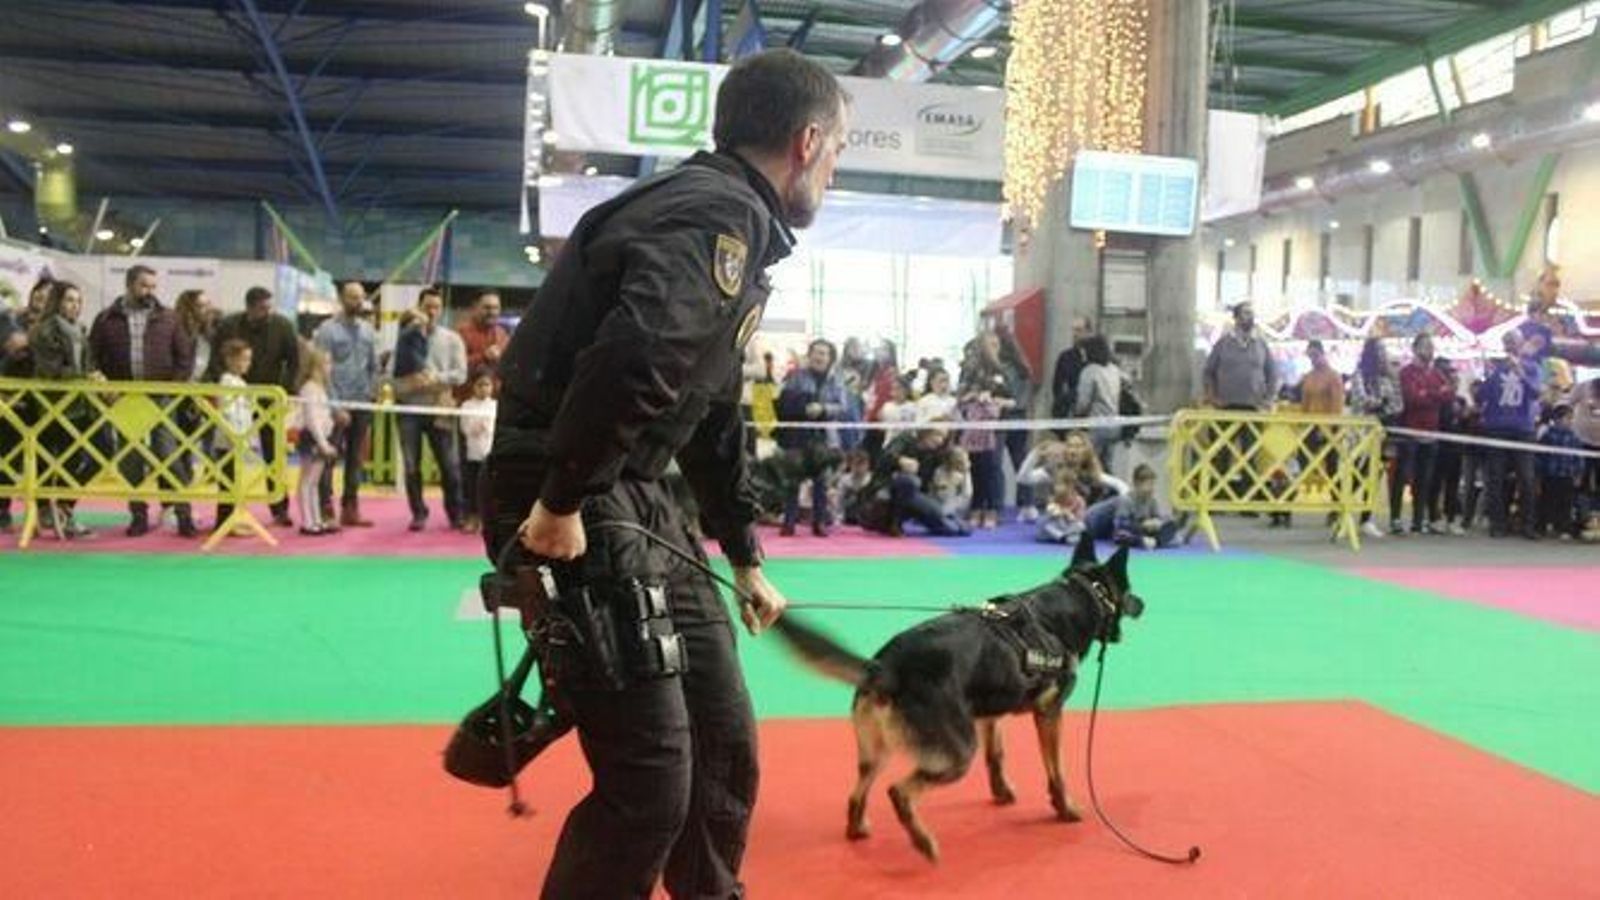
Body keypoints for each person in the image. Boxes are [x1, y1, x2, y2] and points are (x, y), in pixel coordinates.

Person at [481, 49, 846, 899]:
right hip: (571, 495)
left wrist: (744, 554)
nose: (831, 173)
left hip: (635, 499)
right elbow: (638, 357)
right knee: (649, 787)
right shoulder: (714, 219)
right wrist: (562, 499)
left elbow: (707, 408)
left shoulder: (728, 221)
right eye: (836, 156)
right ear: (806, 141)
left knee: (723, 747)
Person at [88, 265, 198, 537]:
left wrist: (173, 389)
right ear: (129, 285)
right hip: (124, 399)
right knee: (131, 459)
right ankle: (138, 515)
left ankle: (184, 514)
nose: (150, 291)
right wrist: (103, 385)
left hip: (161, 398)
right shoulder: (105, 319)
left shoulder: (170, 319)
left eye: (153, 286)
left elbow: (185, 359)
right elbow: (92, 357)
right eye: (144, 285)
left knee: (169, 454)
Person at [209, 286, 299, 528]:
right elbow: (214, 361)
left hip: (269, 400)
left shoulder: (282, 325)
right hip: (234, 400)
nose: (267, 312)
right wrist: (226, 387)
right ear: (249, 307)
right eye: (262, 308)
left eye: (270, 307)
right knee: (228, 456)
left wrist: (284, 391)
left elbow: (294, 361)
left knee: (274, 456)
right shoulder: (228, 325)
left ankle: (280, 509)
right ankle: (225, 514)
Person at [26, 280, 99, 539]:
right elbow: (51, 369)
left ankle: (63, 508)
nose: (75, 306)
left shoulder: (81, 329)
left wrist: (92, 375)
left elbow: (84, 364)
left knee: (88, 455)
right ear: (56, 301)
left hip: (79, 405)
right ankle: (48, 510)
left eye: (78, 301)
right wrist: (85, 376)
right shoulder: (44, 331)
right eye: (69, 300)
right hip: (51, 404)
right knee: (50, 459)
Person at [392, 287, 468, 532]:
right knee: (411, 466)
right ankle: (418, 514)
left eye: (436, 307)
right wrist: (409, 381)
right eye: (427, 307)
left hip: (440, 409)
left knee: (450, 466)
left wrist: (435, 378)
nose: (432, 312)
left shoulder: (452, 339)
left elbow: (461, 374)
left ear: (441, 309)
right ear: (419, 308)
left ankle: (455, 514)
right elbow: (392, 374)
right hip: (409, 409)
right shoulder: (404, 336)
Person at [313, 281, 380, 527]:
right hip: (335, 405)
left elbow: (375, 367)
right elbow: (321, 370)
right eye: (352, 297)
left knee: (356, 459)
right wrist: (334, 406)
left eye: (360, 298)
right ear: (342, 298)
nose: (357, 302)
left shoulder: (369, 331)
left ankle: (351, 508)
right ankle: (325, 507)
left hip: (362, 403)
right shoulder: (327, 330)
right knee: (329, 457)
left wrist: (371, 393)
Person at [1202, 302, 1278, 504]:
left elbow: (1273, 373)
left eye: (1251, 314)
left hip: (1253, 409)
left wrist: (1268, 399)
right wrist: (1212, 396)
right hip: (1226, 408)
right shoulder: (1223, 344)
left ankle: (1248, 501)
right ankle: (1216, 498)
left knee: (1250, 455)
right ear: (1236, 318)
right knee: (1221, 454)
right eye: (1245, 314)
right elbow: (1208, 372)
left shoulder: (1261, 345)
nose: (1250, 318)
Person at [774, 338, 848, 536]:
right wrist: (804, 408)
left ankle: (819, 523)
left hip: (824, 437)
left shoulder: (837, 379)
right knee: (792, 479)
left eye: (824, 353)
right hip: (798, 435)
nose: (820, 356)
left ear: (830, 358)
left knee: (821, 481)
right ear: (810, 355)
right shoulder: (796, 376)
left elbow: (843, 408)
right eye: (816, 352)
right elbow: (784, 403)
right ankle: (789, 522)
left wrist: (823, 409)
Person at [1478, 330, 1542, 539]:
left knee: (1527, 477)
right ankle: (1498, 523)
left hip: (1523, 428)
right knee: (1495, 477)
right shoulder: (1497, 368)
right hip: (1497, 427)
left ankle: (1528, 524)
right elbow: (1482, 396)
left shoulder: (1532, 367)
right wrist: (1489, 375)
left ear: (1521, 343)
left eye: (1513, 342)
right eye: (1506, 343)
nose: (1509, 346)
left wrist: (1520, 372)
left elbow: (1535, 393)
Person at [1392, 334, 1454, 535]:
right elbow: (1411, 398)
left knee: (1424, 479)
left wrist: (1427, 393)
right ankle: (1396, 518)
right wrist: (1434, 394)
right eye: (1426, 346)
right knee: (1402, 476)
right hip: (1409, 431)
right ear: (1415, 348)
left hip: (1431, 432)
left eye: (1432, 346)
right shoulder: (1406, 373)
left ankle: (1418, 521)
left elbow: (1449, 394)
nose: (1430, 350)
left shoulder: (1437, 373)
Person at [1348, 337, 1402, 539]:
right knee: (1356, 474)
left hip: (1383, 432)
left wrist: (1384, 406)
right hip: (1360, 433)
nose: (1383, 354)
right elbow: (1361, 400)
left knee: (1375, 475)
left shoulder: (1389, 377)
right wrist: (1380, 403)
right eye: (1379, 350)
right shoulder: (1360, 374)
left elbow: (1398, 404)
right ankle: (1341, 511)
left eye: (1384, 350)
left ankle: (1366, 518)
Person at [294, 348, 341, 536]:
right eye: (326, 364)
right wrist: (323, 443)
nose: (330, 367)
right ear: (315, 367)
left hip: (320, 437)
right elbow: (312, 419)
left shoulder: (319, 388)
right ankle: (307, 522)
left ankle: (316, 519)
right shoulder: (310, 388)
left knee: (313, 482)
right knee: (307, 481)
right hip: (312, 438)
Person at [212, 339, 256, 536]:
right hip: (228, 442)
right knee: (228, 484)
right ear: (229, 360)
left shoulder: (240, 382)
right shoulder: (226, 381)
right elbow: (227, 411)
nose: (246, 363)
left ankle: (234, 519)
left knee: (237, 483)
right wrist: (235, 435)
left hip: (239, 440)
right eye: (243, 359)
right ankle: (225, 522)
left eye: (248, 359)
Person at [1074, 333, 1124, 471]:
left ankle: (1092, 491)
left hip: (1096, 427)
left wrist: (1074, 417)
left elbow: (1082, 404)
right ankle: (1108, 491)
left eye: (1084, 351)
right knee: (1107, 466)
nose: (1082, 355)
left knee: (1088, 467)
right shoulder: (1114, 370)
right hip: (1114, 426)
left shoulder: (1089, 372)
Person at [1112, 463, 1190, 549]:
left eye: (1153, 484)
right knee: (1122, 535)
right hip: (1131, 532)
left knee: (1177, 539)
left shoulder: (1152, 501)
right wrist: (1143, 525)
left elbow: (1157, 518)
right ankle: (1145, 542)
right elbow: (1120, 525)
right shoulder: (1126, 501)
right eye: (1149, 484)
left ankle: (1153, 542)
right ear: (1137, 484)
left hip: (1145, 533)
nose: (1152, 488)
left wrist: (1157, 523)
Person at [458, 370, 497, 533]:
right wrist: (477, 426)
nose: (483, 388)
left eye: (487, 384)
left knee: (489, 490)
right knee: (472, 489)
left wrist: (485, 426)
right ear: (473, 386)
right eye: (479, 385)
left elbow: (495, 429)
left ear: (493, 386)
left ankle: (487, 521)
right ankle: (472, 518)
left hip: (490, 455)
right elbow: (465, 428)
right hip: (472, 455)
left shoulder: (495, 405)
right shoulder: (466, 406)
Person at [1538, 403, 1584, 539]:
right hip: (1550, 475)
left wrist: (1578, 474)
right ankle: (1542, 526)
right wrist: (1539, 476)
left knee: (1566, 504)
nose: (1571, 421)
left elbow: (1578, 457)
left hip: (1567, 476)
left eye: (1572, 418)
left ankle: (1564, 528)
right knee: (1546, 501)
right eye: (1568, 418)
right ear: (1557, 419)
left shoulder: (1575, 437)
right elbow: (1540, 457)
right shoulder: (1547, 436)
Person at [1050, 315, 1095, 427]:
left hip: (1095, 415)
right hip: (1072, 414)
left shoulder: (1098, 357)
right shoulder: (1065, 357)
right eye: (1073, 330)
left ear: (1089, 332)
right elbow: (1057, 387)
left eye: (1079, 330)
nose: (1075, 334)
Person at [930, 446, 973, 520]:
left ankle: (945, 515)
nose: (962, 463)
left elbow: (967, 493)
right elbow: (937, 490)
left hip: (957, 503)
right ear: (950, 460)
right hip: (940, 500)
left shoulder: (965, 474)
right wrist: (949, 482)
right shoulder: (940, 470)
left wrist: (966, 473)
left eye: (965, 460)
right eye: (958, 461)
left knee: (942, 511)